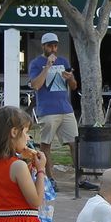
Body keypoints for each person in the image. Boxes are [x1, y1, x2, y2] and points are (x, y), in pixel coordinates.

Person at [28, 32, 80, 183]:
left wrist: (70, 78)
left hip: (66, 108)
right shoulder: (36, 63)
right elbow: (36, 85)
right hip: (47, 110)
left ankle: (79, 178)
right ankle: (49, 178)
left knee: (74, 143)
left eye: (55, 45)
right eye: (50, 45)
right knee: (46, 144)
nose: (53, 48)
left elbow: (74, 86)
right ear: (43, 46)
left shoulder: (63, 61)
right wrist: (47, 67)